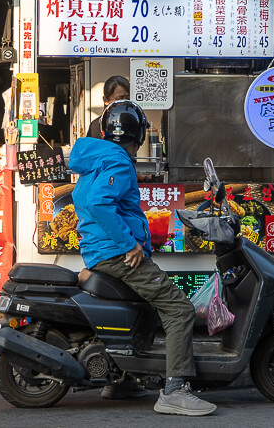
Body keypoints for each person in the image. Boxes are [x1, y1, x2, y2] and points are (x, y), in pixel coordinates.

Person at [68, 100, 216, 417]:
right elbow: (98, 205)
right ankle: (175, 390)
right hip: (117, 253)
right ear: (138, 136)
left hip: (100, 251)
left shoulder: (96, 159)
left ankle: (123, 380)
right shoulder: (119, 162)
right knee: (178, 309)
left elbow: (89, 203)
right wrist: (129, 244)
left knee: (144, 306)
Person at [86, 75, 130, 139]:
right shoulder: (96, 125)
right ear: (105, 100)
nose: (124, 102)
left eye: (128, 98)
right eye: (119, 99)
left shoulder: (134, 122)